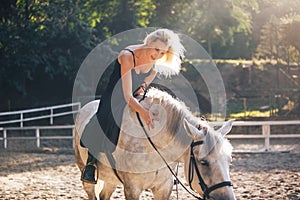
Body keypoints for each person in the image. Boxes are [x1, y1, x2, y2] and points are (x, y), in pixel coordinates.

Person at [80, 29, 185, 184]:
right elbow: (126, 96)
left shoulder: (155, 65)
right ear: (148, 43)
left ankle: (164, 168)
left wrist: (144, 93)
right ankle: (91, 163)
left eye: (162, 53)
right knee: (104, 119)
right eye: (156, 50)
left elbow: (144, 84)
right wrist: (143, 112)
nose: (157, 55)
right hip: (115, 97)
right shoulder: (127, 56)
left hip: (134, 96)